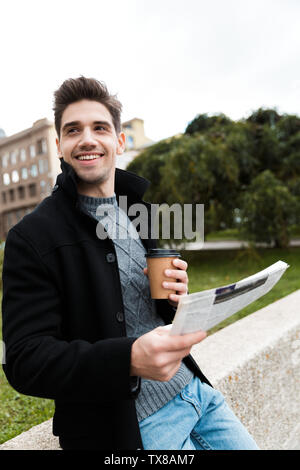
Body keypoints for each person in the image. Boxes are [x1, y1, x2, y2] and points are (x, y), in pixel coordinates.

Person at [1, 77, 259, 451]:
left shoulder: (138, 210)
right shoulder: (31, 236)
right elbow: (25, 361)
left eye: (100, 128)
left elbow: (149, 312)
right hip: (129, 427)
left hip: (197, 393)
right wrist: (128, 359)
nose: (87, 138)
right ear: (60, 146)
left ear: (119, 142)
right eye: (73, 130)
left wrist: (173, 297)